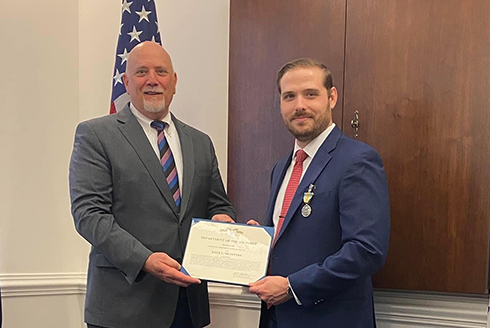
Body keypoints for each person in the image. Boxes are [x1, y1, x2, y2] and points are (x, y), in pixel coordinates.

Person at [69, 41, 235, 328]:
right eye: (141, 72)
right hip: (123, 307)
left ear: (174, 81)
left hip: (187, 306)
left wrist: (222, 220)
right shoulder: (96, 135)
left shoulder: (200, 142)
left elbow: (217, 203)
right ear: (126, 81)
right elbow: (89, 215)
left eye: (161, 71)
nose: (152, 80)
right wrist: (144, 260)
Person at [248, 58, 390, 328]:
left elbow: (367, 251)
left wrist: (292, 287)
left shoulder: (358, 160)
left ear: (332, 97)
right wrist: (259, 242)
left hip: (332, 319)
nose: (299, 105)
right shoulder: (282, 168)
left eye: (310, 94)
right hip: (277, 319)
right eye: (289, 96)